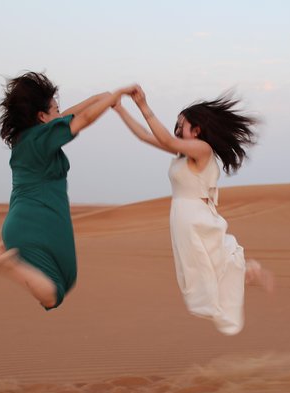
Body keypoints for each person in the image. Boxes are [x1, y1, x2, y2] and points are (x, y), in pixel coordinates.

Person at [113, 86, 274, 335]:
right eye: (176, 125)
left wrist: (143, 105)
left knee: (206, 268)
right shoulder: (182, 153)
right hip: (182, 216)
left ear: (197, 130)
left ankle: (248, 270)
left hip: (196, 217)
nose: (177, 129)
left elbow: (165, 139)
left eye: (181, 125)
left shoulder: (202, 150)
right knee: (201, 268)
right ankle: (247, 271)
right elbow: (146, 136)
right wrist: (120, 109)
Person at [0, 71, 136, 310]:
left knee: (64, 280)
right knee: (53, 294)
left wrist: (98, 98)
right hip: (39, 219)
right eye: (55, 109)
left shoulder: (28, 138)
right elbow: (83, 119)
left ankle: (7, 259)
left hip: (24, 220)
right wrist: (118, 94)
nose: (60, 113)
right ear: (41, 116)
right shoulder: (42, 138)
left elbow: (66, 117)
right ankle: (9, 265)